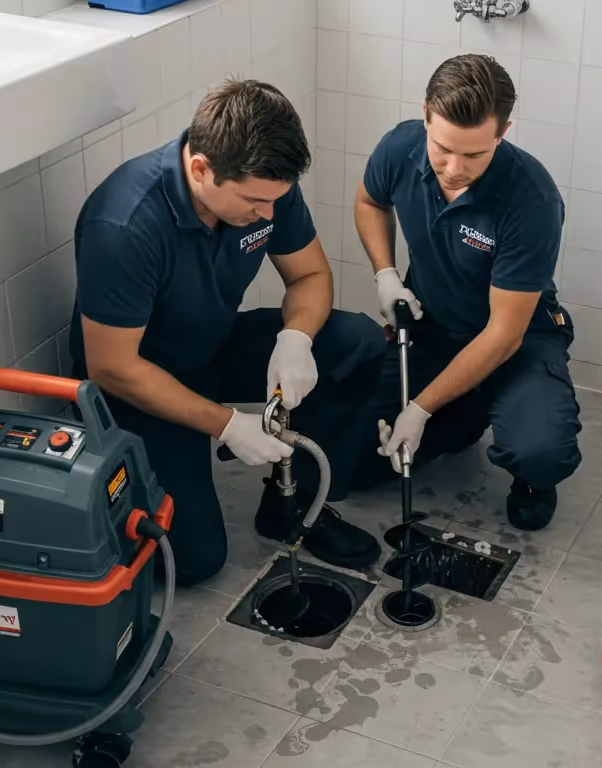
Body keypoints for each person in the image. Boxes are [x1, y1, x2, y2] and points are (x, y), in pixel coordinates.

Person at [68, 80, 385, 586]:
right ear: (201, 169)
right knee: (193, 562)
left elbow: (310, 275)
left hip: (212, 345)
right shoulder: (124, 224)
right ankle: (133, 482)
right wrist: (227, 425)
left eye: (275, 200)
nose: (268, 215)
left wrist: (296, 338)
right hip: (138, 386)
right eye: (255, 202)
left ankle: (294, 503)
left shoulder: (266, 186)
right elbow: (112, 367)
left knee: (357, 343)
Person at [351, 54, 584, 531]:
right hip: (433, 328)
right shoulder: (401, 147)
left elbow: (502, 336)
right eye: (443, 148)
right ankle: (462, 414)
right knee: (356, 456)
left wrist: (418, 409)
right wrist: (385, 274)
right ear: (425, 117)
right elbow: (369, 201)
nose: (454, 168)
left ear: (503, 131)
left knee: (539, 451)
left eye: (474, 154)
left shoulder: (531, 199)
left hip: (516, 339)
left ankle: (527, 472)